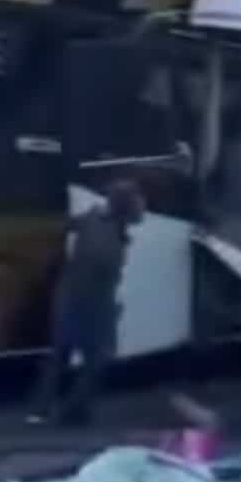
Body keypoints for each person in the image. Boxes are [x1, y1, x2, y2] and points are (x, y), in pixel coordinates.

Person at [28, 179, 145, 426]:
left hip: (73, 297)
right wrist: (111, 310)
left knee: (62, 354)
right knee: (95, 356)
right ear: (125, 207)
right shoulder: (109, 237)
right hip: (86, 302)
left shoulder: (98, 222)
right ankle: (71, 410)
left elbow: (69, 226)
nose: (142, 207)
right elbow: (101, 276)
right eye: (137, 202)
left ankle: (44, 408)